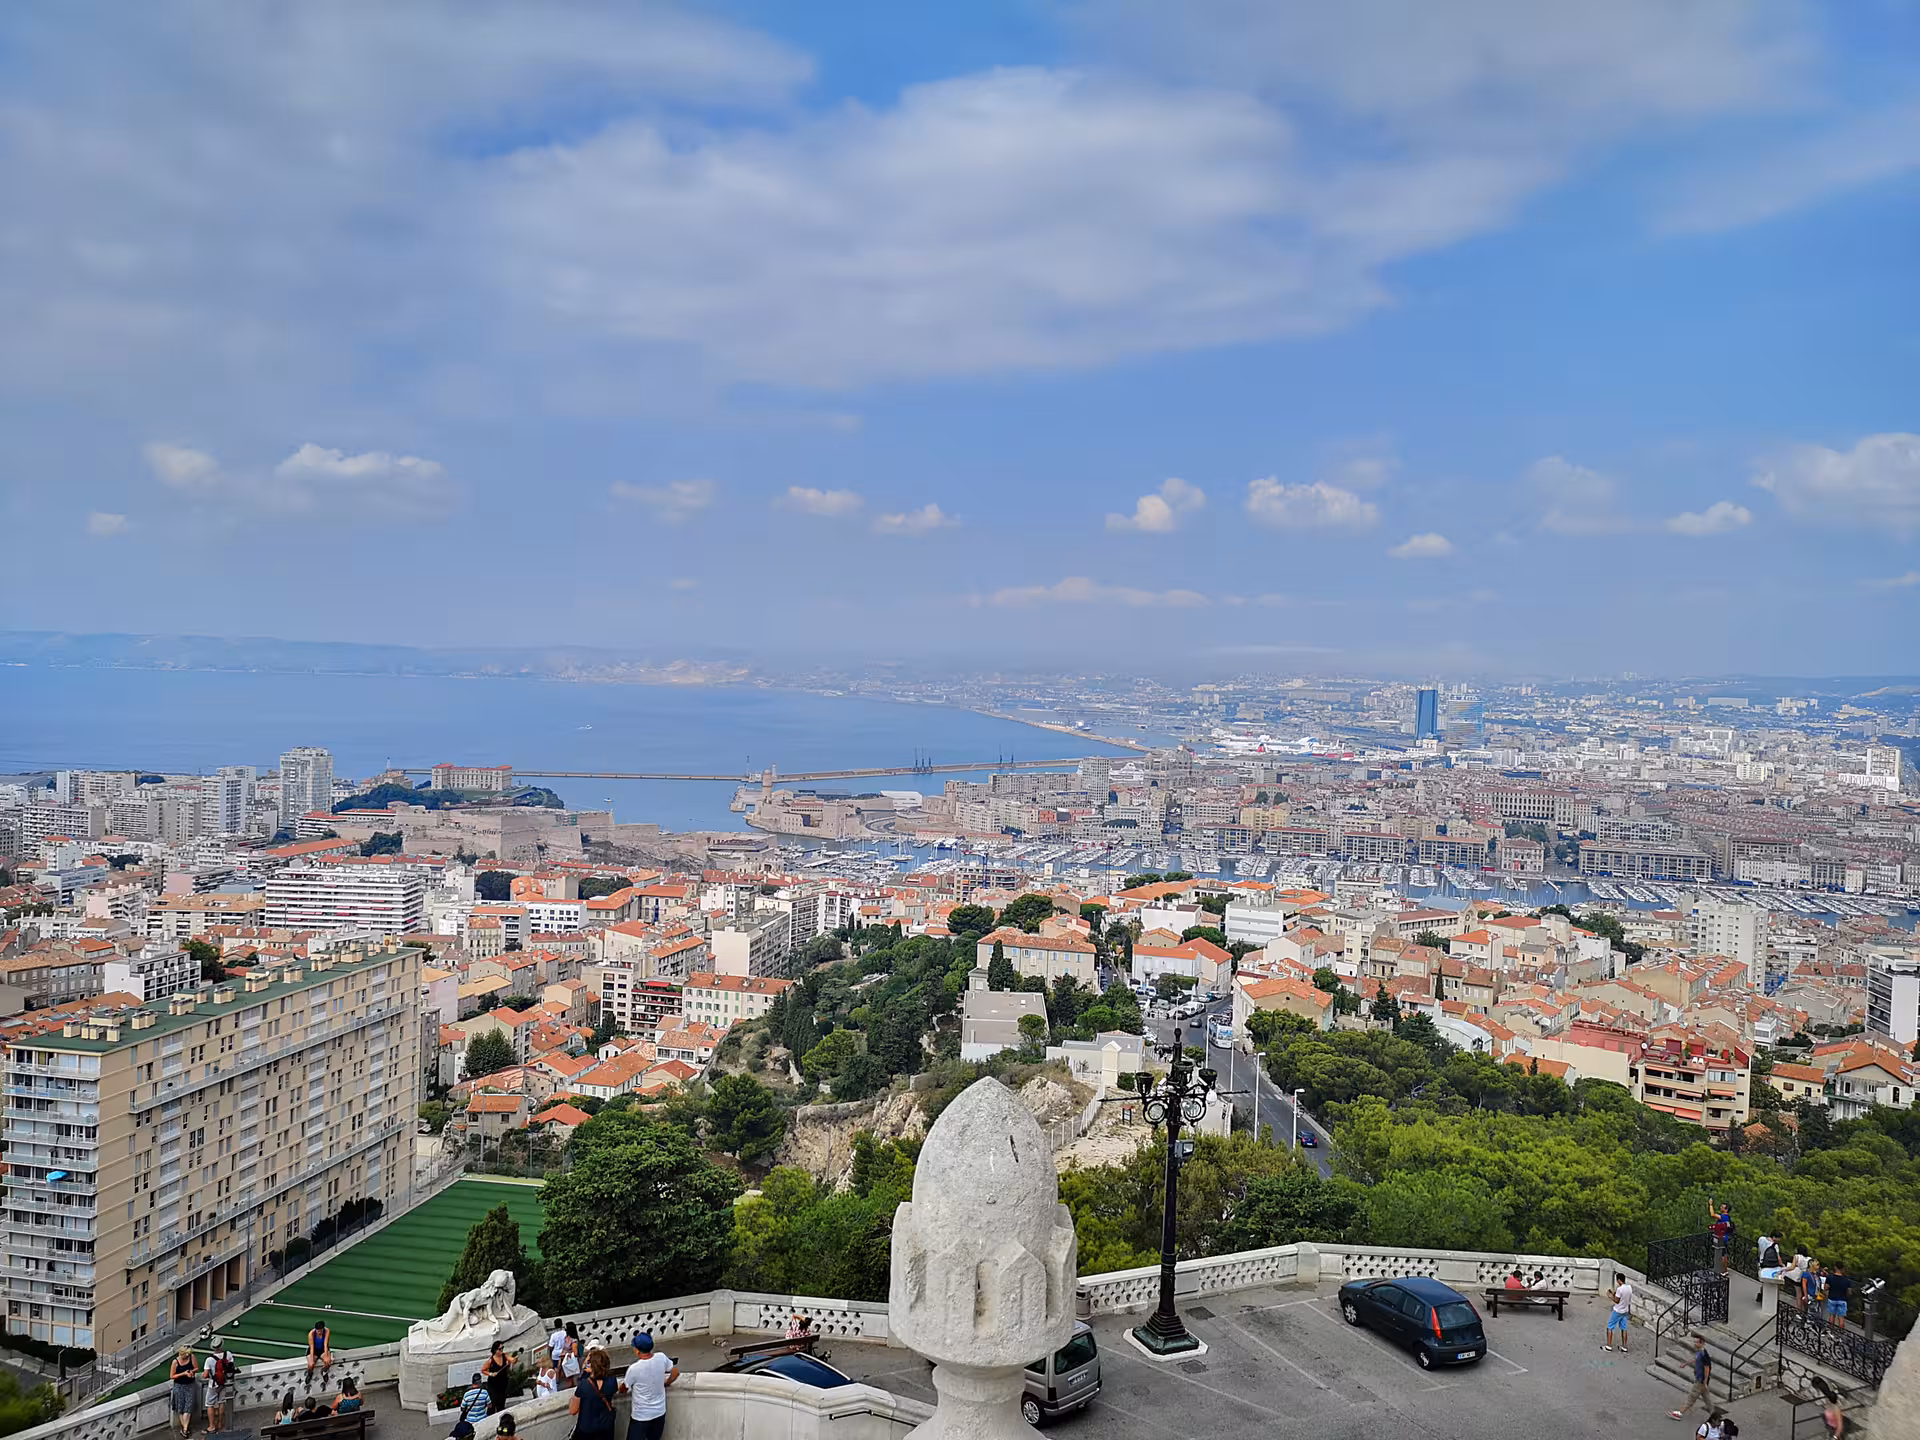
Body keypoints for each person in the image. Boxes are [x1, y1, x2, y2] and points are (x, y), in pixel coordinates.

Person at [619, 1332, 679, 1440]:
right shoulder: (661, 1357)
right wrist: (667, 1382)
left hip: (641, 1417)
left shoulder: (634, 1369)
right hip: (659, 1412)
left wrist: (621, 1387)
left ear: (637, 1350)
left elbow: (624, 1389)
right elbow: (675, 1372)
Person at [568, 1348, 620, 1440]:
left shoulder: (584, 1385)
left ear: (591, 1365)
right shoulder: (612, 1381)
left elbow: (573, 1410)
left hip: (587, 1429)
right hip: (605, 1428)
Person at [1670, 1334, 1713, 1420]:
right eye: (1695, 1342)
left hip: (1700, 1380)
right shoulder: (1699, 1352)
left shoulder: (1704, 1354)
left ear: (1702, 1343)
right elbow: (1696, 1359)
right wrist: (1686, 1364)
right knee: (1707, 1399)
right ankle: (1714, 1415)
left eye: (1696, 1342)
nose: (1694, 1343)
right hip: (1700, 1379)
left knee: (1692, 1397)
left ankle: (1679, 1413)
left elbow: (1707, 1368)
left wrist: (1705, 1381)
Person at [203, 1343, 237, 1434]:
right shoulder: (228, 1354)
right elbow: (231, 1366)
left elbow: (205, 1375)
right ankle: (220, 1423)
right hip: (225, 1382)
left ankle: (211, 1426)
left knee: (209, 1404)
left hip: (214, 1384)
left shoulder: (209, 1359)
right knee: (222, 1402)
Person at [481, 1339, 518, 1415]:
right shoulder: (490, 1361)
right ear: (495, 1350)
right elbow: (483, 1370)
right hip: (493, 1384)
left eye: (502, 1348)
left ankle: (500, 1414)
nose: (501, 1350)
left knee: (502, 1401)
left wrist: (513, 1360)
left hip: (503, 1383)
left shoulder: (504, 1356)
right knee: (493, 1401)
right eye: (500, 1349)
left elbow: (511, 1359)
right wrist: (491, 1374)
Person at [168, 1347, 198, 1438]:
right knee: (180, 1407)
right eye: (186, 1354)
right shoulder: (175, 1362)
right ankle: (185, 1428)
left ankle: (184, 1429)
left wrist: (191, 1372)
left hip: (190, 1385)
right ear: (181, 1354)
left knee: (188, 1407)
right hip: (179, 1386)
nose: (187, 1356)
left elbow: (196, 1368)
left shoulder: (192, 1357)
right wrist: (184, 1374)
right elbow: (172, 1376)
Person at [1604, 1273, 1633, 1354]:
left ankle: (1608, 1346)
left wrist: (1610, 1296)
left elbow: (1617, 1300)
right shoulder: (1629, 1288)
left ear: (1619, 1280)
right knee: (1624, 1328)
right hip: (1625, 1310)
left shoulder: (1620, 1289)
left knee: (1610, 1326)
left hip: (1617, 1311)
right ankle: (1624, 1347)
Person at [306, 1318, 333, 1388]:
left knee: (328, 1361)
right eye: (318, 1330)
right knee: (311, 1364)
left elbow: (325, 1344)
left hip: (322, 1349)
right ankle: (309, 1373)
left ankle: (324, 1371)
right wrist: (312, 1359)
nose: (319, 1332)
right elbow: (311, 1347)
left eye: (320, 1330)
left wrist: (326, 1356)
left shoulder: (327, 1331)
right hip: (314, 1350)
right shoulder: (311, 1334)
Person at [1709, 1201, 1734, 1274]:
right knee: (1724, 1253)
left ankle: (1724, 1271)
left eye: (1722, 1207)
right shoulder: (1727, 1217)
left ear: (1726, 1209)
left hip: (1722, 1238)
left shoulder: (1723, 1217)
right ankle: (1724, 1269)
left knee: (1723, 1255)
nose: (1720, 1208)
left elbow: (1712, 1214)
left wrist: (1710, 1205)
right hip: (1724, 1237)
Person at [1825, 1263, 1851, 1330]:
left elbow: (1826, 1287)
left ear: (1835, 1267)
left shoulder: (1830, 1277)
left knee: (1831, 1315)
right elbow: (1849, 1292)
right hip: (1842, 1299)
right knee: (1841, 1318)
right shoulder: (1846, 1280)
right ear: (1842, 1268)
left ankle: (1831, 1330)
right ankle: (1841, 1333)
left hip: (1832, 1298)